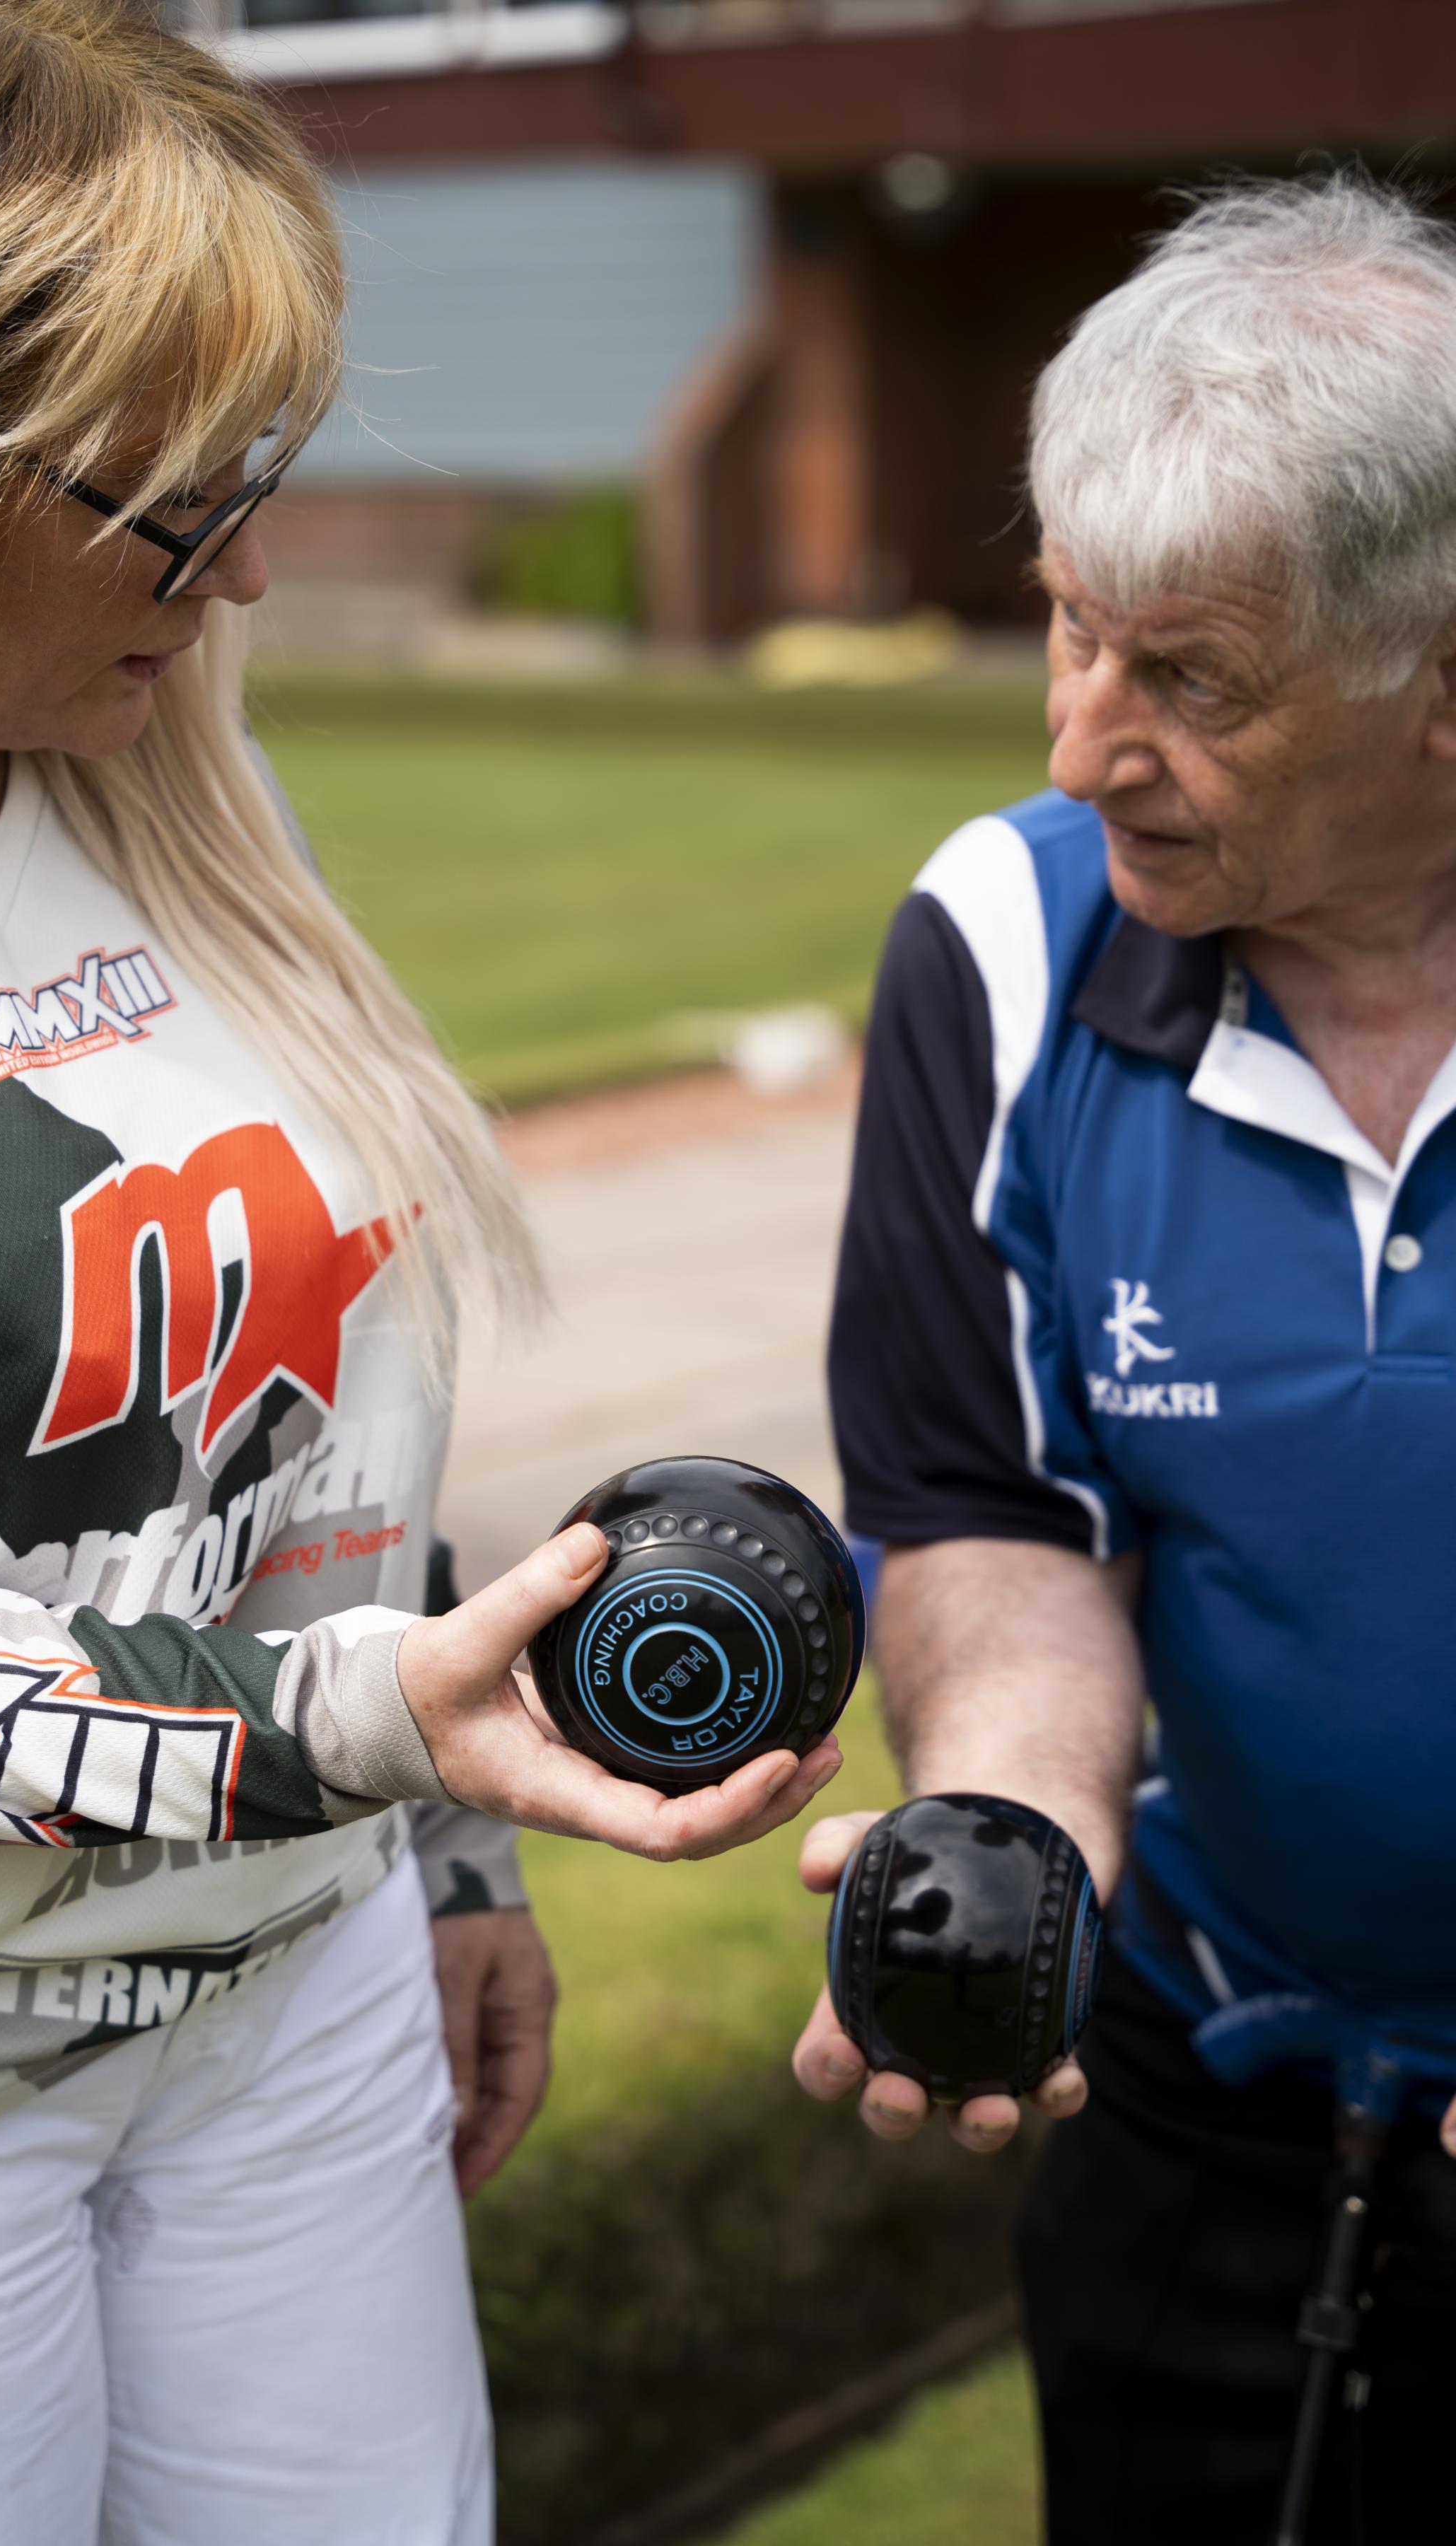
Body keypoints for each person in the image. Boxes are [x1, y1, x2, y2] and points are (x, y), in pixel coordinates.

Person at [0, 6, 840, 2540]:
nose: (246, 569)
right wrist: (373, 1728)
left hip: (298, 2004)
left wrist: (437, 1855)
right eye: (173, 499)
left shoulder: (177, 778)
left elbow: (318, 1401)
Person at [793, 173, 1456, 2542]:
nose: (1083, 749)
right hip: (1203, 2095)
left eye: (1191, 678)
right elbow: (987, 1501)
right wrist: (1022, 1827)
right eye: (1071, 627)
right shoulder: (1000, 940)